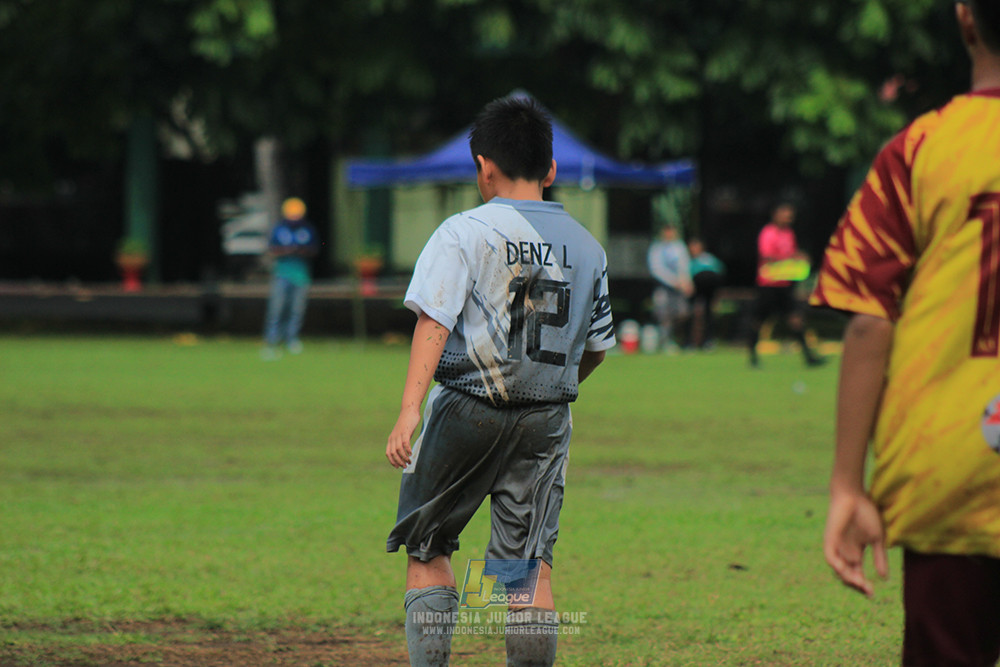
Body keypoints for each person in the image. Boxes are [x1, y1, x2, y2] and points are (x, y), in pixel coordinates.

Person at [384, 95, 615, 667]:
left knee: (428, 546)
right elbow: (596, 348)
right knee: (525, 569)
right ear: (551, 169)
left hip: (466, 407)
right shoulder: (589, 247)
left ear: (483, 167)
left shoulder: (464, 230)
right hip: (547, 418)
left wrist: (410, 410)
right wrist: (553, 387)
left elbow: (434, 322)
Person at [810, 1, 1000, 664]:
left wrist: (847, 482)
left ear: (966, 19)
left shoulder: (920, 149)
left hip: (950, 465)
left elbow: (868, 319)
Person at [747, 202, 824, 367]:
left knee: (795, 319)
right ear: (775, 214)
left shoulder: (788, 233)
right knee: (759, 320)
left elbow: (792, 252)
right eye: (785, 215)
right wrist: (790, 259)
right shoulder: (768, 233)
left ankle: (809, 357)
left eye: (790, 216)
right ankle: (752, 356)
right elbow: (767, 256)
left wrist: (800, 257)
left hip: (785, 284)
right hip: (769, 284)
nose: (788, 219)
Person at [261, 197, 319, 359]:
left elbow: (315, 248)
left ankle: (291, 339)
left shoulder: (308, 229)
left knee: (296, 310)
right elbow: (272, 249)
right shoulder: (279, 229)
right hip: (282, 274)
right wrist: (287, 251)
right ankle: (271, 340)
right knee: (277, 308)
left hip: (301, 275)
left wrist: (300, 250)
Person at [647, 224, 693, 351]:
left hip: (679, 287)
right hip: (664, 286)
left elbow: (685, 265)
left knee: (682, 313)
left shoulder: (679, 247)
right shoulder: (657, 248)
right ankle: (665, 341)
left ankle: (680, 340)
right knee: (663, 315)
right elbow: (656, 269)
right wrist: (673, 281)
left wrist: (686, 281)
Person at [686, 237, 725, 350]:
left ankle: (708, 341)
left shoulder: (709, 259)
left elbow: (720, 272)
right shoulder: (688, 261)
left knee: (709, 314)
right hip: (694, 288)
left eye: (696, 246)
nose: (694, 249)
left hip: (708, 288)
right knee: (690, 314)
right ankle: (689, 342)